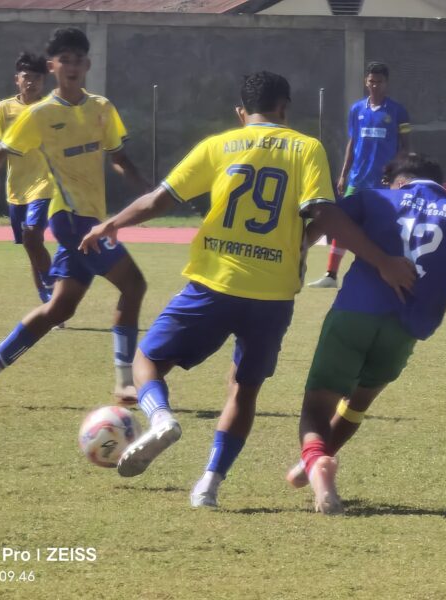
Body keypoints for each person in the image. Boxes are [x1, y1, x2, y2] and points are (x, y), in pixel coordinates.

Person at [79, 71, 416, 509]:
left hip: (215, 282)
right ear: (284, 108)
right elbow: (325, 215)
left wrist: (111, 224)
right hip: (273, 296)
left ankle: (160, 418)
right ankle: (209, 485)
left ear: (242, 112)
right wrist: (383, 260)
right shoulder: (307, 147)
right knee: (243, 389)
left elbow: (159, 199)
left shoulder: (218, 145)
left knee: (147, 361)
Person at [290, 152, 446, 515]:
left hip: (355, 312)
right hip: (407, 328)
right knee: (358, 404)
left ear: (399, 182)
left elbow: (325, 218)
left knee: (316, 406)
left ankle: (319, 465)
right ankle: (316, 460)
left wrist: (302, 249)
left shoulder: (376, 197)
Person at [0, 27, 150, 407]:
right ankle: (124, 382)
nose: (70, 66)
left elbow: (118, 157)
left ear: (87, 64)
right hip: (70, 219)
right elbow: (3, 147)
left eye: (77, 59)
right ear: (52, 66)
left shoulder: (102, 108)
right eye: (62, 59)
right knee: (133, 285)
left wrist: (147, 188)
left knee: (60, 308)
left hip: (91, 217)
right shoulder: (39, 114)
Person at [309, 61, 411, 289]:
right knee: (342, 223)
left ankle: (387, 270)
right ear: (366, 82)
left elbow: (405, 145)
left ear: (387, 83)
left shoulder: (397, 111)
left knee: (385, 227)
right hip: (357, 179)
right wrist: (344, 174)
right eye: (371, 81)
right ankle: (331, 275)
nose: (375, 85)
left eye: (380, 82)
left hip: (384, 182)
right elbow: (352, 143)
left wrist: (399, 173)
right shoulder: (357, 110)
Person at [0, 51, 56, 305]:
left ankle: (53, 288)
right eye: (26, 77)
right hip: (16, 188)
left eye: (37, 77)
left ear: (44, 81)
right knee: (31, 246)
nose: (31, 82)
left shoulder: (51, 108)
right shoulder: (3, 109)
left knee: (33, 235)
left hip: (46, 185)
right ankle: (49, 301)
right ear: (17, 79)